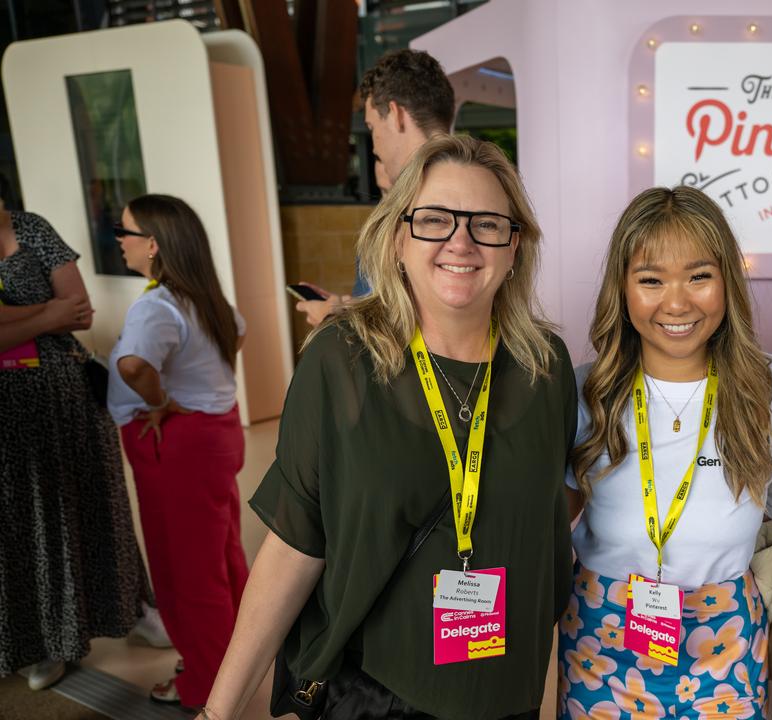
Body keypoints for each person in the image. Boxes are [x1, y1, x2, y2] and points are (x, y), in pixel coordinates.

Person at [201, 135, 577, 720]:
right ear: (399, 237)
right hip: (378, 693)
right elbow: (295, 543)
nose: (461, 241)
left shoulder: (545, 368)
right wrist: (217, 712)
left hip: (508, 695)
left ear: (514, 246)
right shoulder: (343, 360)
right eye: (434, 220)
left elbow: (550, 524)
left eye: (486, 224)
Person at [559, 186, 772, 719]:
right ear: (622, 289)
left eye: (698, 275)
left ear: (727, 282)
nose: (677, 302)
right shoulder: (584, 392)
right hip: (601, 642)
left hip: (727, 642)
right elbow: (553, 527)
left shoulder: (770, 384)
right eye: (650, 279)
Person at [107, 194, 249, 707]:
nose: (117, 241)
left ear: (152, 244)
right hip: (217, 433)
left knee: (186, 572)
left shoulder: (157, 305)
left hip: (178, 445)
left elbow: (132, 366)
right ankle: (238, 659)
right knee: (222, 556)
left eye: (123, 232)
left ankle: (207, 686)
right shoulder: (208, 299)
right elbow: (235, 338)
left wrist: (162, 400)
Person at [0, 209, 148, 692]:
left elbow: (79, 309)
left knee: (92, 506)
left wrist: (13, 320)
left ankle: (125, 608)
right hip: (9, 418)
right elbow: (62, 311)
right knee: (23, 525)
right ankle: (38, 642)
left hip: (66, 398)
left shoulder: (32, 228)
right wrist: (47, 314)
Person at [295, 48, 456, 327]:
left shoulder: (417, 203)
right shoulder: (480, 188)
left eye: (371, 127)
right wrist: (347, 306)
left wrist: (332, 319)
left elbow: (405, 328)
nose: (375, 145)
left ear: (395, 114)